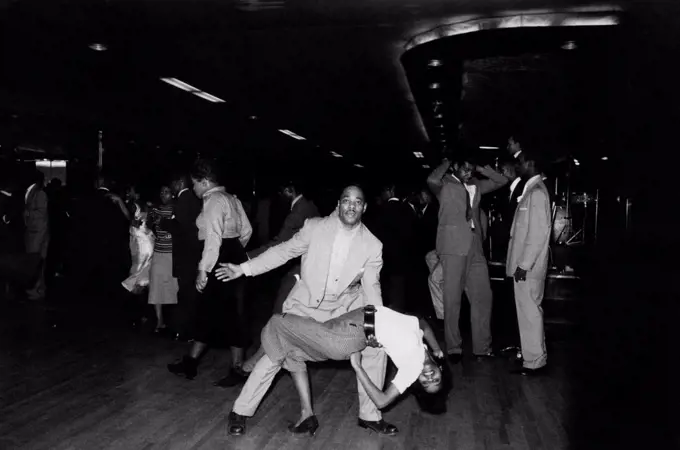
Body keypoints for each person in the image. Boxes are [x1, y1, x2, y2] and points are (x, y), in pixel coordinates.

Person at [215, 185, 398, 437]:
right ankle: (241, 410)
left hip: (343, 311)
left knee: (376, 347)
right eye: (346, 200)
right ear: (338, 204)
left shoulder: (372, 246)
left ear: (364, 208)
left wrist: (378, 323)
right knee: (273, 352)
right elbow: (283, 251)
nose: (351, 206)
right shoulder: (314, 227)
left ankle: (370, 414)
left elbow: (372, 287)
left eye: (357, 202)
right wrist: (244, 268)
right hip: (305, 307)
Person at [225, 305, 445, 435]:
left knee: (275, 322)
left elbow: (382, 401)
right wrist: (437, 350)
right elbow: (423, 324)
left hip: (347, 335)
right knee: (293, 351)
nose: (427, 377)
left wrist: (358, 368)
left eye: (425, 383)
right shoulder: (422, 347)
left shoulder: (412, 368)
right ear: (440, 370)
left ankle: (248, 367)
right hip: (352, 321)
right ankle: (307, 415)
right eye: (434, 378)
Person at [167, 159, 252, 385]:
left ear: (204, 182)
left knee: (224, 314)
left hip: (218, 257)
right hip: (232, 255)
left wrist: (203, 270)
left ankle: (235, 369)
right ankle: (192, 362)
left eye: (195, 184)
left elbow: (213, 238)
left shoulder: (213, 200)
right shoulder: (232, 198)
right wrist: (235, 251)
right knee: (215, 312)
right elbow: (247, 230)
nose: (193, 188)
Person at [426, 152, 508, 363]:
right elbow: (431, 179)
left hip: (475, 245)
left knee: (483, 296)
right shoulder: (443, 184)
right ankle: (453, 348)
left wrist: (482, 170)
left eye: (470, 169)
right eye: (464, 168)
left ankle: (482, 347)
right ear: (455, 167)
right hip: (453, 246)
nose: (468, 172)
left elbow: (502, 180)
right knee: (452, 299)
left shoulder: (475, 184)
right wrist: (447, 161)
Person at [507, 149, 551, 375]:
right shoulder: (532, 191)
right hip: (527, 267)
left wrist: (523, 266)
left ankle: (535, 362)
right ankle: (533, 358)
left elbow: (536, 235)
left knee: (530, 313)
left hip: (528, 268)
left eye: (522, 161)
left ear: (532, 163)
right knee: (529, 313)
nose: (518, 165)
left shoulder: (536, 193)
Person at [148, 185, 178, 333]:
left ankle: (175, 321)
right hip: (159, 252)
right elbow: (151, 227)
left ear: (172, 194)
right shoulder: (155, 209)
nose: (163, 195)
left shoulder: (177, 209)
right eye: (161, 192)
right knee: (156, 287)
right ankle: (159, 321)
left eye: (166, 192)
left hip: (173, 254)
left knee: (174, 287)